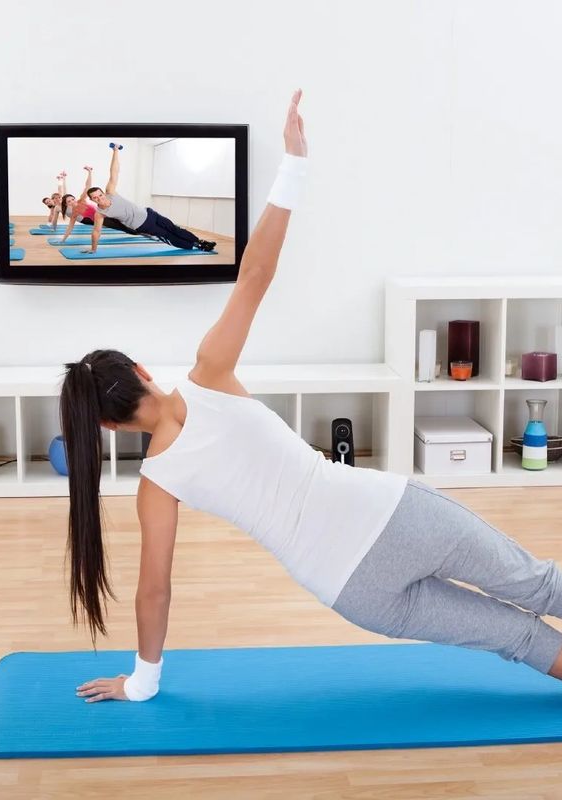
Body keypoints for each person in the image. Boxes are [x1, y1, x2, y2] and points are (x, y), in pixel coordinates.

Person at [61, 90, 562, 705]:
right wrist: (294, 164)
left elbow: (153, 591)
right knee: (538, 586)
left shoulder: (155, 485)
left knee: (515, 637)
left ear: (106, 428)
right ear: (141, 369)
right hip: (395, 517)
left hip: (348, 586)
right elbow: (255, 273)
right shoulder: (209, 374)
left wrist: (142, 683)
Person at [81, 144, 216, 254]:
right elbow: (96, 231)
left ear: (103, 193)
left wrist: (115, 151)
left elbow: (114, 172)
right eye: (96, 198)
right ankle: (194, 246)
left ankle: (200, 242)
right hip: (142, 225)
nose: (100, 198)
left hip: (150, 213)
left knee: (173, 228)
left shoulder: (111, 192)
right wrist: (93, 249)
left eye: (100, 195)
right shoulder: (100, 213)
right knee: (167, 235)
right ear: (93, 201)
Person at [57, 167, 142, 241]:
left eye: (72, 199)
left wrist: (90, 172)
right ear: (67, 204)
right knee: (121, 227)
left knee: (125, 220)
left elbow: (87, 186)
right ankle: (141, 233)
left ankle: (143, 229)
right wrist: (63, 239)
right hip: (100, 218)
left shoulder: (82, 200)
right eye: (69, 201)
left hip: (105, 211)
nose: (72, 201)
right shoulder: (74, 213)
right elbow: (70, 227)